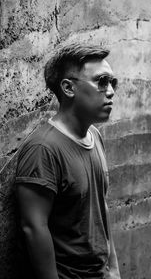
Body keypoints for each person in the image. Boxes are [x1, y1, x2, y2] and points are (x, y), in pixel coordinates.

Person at [15, 43, 121, 279]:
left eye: (113, 83)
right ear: (68, 88)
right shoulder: (43, 149)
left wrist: (113, 269)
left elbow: (100, 207)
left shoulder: (95, 136)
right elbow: (33, 228)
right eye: (101, 81)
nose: (111, 91)